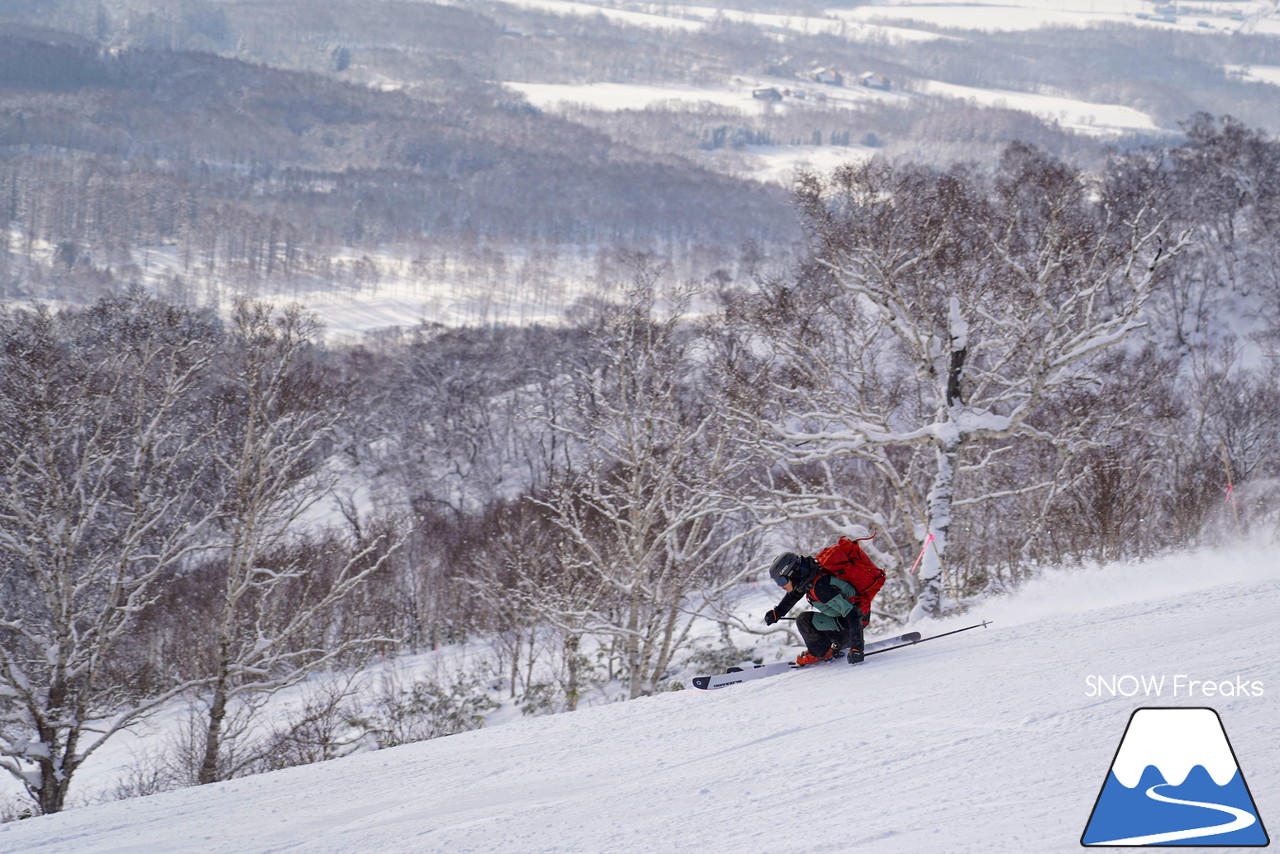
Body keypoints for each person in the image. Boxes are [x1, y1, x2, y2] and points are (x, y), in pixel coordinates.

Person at [764, 551, 866, 666]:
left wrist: (857, 648)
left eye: (781, 581)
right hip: (848, 622)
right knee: (809, 620)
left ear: (793, 574)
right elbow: (794, 594)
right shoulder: (809, 576)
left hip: (852, 625)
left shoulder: (821, 586)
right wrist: (777, 612)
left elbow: (853, 614)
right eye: (777, 582)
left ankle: (822, 653)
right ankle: (832, 645)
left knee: (804, 621)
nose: (780, 586)